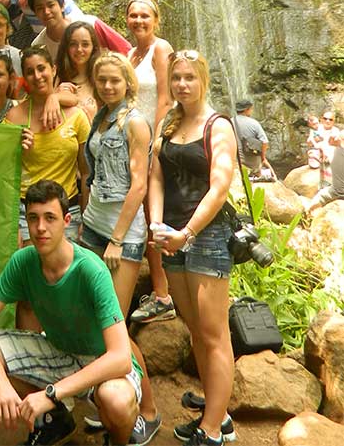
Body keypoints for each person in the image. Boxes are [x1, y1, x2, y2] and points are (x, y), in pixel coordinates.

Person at [0, 179, 141, 446]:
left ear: (67, 220)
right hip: (58, 352)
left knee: (115, 399)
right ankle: (55, 416)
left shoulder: (91, 270)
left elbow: (120, 358)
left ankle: (118, 440)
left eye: (50, 218)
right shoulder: (23, 261)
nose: (40, 228)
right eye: (33, 218)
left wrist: (51, 392)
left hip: (101, 361)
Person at [148, 50, 237, 446]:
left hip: (207, 235)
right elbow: (156, 178)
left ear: (203, 80)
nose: (182, 84)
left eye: (189, 78)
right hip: (172, 234)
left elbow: (220, 187)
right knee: (197, 333)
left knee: (214, 333)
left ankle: (213, 430)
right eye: (176, 78)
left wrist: (187, 232)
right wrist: (155, 224)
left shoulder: (217, 126)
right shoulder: (169, 122)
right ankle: (218, 415)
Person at [79, 52, 161, 445]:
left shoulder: (136, 122)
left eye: (115, 80)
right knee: (96, 324)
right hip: (92, 226)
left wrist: (117, 238)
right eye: (103, 81)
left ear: (128, 82)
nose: (109, 86)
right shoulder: (102, 117)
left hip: (121, 235)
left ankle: (148, 410)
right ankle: (115, 404)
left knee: (114, 327)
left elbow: (139, 186)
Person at [125, 0, 176, 327]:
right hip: (133, 142)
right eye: (133, 16)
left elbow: (165, 97)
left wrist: (156, 141)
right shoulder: (130, 54)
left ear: (155, 20)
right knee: (142, 215)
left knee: (150, 214)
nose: (139, 20)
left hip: (152, 143)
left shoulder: (161, 48)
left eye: (145, 15)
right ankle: (162, 290)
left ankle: (163, 295)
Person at [5, 48, 89, 249]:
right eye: (29, 71)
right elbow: (5, 175)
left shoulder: (76, 116)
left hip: (68, 208)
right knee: (30, 273)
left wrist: (86, 219)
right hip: (26, 212)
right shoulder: (13, 117)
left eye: (41, 68)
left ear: (53, 69)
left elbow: (86, 173)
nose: (37, 76)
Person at [29, 0, 130, 59]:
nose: (46, 12)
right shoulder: (39, 45)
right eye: (40, 8)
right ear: (35, 13)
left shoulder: (90, 24)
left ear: (62, 6)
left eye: (51, 5)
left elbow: (126, 50)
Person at [54, 21, 101, 121]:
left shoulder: (101, 78)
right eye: (73, 44)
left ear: (93, 47)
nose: (79, 49)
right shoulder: (55, 78)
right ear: (66, 47)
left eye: (85, 44)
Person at [308, 115, 344, 213]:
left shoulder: (337, 132)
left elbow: (332, 143)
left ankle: (307, 213)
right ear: (321, 119)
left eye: (330, 119)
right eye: (325, 118)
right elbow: (313, 142)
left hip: (337, 188)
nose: (327, 121)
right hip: (321, 154)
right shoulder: (316, 129)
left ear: (334, 122)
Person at [233, 99, 273, 177]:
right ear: (246, 110)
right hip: (253, 163)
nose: (251, 111)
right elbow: (264, 142)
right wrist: (263, 157)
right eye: (251, 109)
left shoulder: (229, 122)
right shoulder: (254, 123)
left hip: (237, 161)